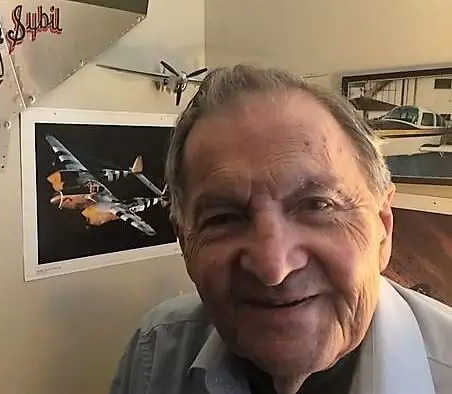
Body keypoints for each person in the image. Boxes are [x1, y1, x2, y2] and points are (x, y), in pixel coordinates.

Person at [108, 64, 452, 394]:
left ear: (383, 227)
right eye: (223, 218)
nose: (273, 267)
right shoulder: (155, 353)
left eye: (318, 205)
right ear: (185, 243)